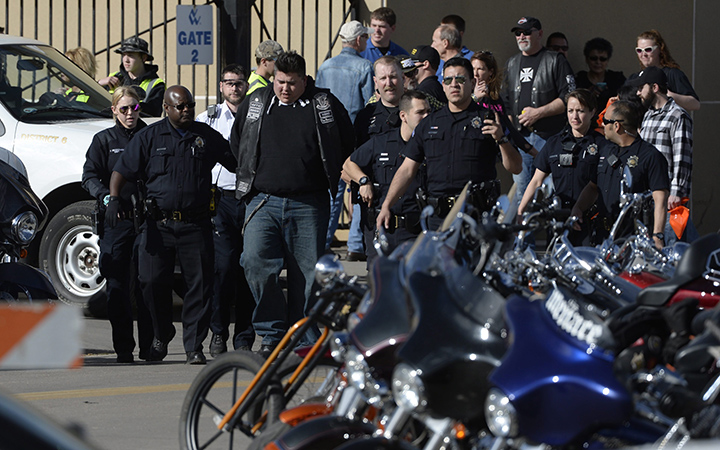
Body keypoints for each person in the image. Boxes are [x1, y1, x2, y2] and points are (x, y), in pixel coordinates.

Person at [230, 51, 354, 357]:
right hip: (263, 201)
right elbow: (238, 143)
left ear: (305, 80)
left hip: (309, 203)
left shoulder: (324, 104)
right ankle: (271, 333)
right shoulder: (256, 103)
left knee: (309, 275)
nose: (285, 89)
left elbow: (345, 143)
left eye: (292, 83)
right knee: (255, 262)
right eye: (280, 82)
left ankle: (304, 337)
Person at [109, 85, 237, 365]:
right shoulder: (149, 137)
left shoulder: (205, 136)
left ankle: (194, 346)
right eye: (180, 106)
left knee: (200, 287)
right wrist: (115, 199)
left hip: (196, 224)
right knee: (150, 282)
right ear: (166, 108)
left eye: (190, 105)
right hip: (158, 225)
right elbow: (121, 170)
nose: (187, 110)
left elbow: (235, 162)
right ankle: (162, 331)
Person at [376, 57, 523, 231]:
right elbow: (407, 170)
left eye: (460, 79)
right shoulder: (428, 123)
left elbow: (516, 167)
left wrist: (501, 139)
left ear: (472, 83)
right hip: (438, 219)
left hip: (476, 217)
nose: (454, 84)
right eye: (448, 80)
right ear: (443, 85)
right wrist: (387, 205)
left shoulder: (488, 119)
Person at [81, 86, 153, 363]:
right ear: (114, 110)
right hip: (117, 220)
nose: (130, 113)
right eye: (123, 109)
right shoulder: (104, 140)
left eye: (134, 107)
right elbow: (89, 177)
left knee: (148, 283)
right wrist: (106, 198)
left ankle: (149, 346)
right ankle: (124, 347)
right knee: (117, 284)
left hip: (146, 220)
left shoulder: (150, 135)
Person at [195, 64, 255, 356]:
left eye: (239, 82)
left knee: (250, 268)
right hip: (220, 199)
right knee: (223, 268)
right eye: (229, 83)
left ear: (247, 85)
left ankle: (244, 338)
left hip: (250, 197)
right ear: (221, 86)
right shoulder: (208, 118)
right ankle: (218, 332)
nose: (234, 87)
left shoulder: (257, 114)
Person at [343, 91, 431, 266]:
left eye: (429, 111)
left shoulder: (431, 145)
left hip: (416, 230)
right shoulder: (381, 142)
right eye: (420, 112)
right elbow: (348, 165)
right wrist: (363, 181)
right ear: (403, 116)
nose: (427, 117)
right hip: (382, 229)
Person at [571, 101, 669, 248]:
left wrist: (657, 236)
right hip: (603, 237)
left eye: (605, 121)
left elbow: (660, 199)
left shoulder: (650, 156)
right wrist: (578, 208)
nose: (602, 124)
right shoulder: (605, 151)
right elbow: (592, 187)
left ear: (616, 126)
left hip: (633, 239)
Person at [502, 16, 576, 207]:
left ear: (540, 34)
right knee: (522, 194)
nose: (521, 36)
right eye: (518, 33)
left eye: (527, 32)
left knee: (554, 194)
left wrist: (538, 113)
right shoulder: (511, 63)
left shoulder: (555, 60)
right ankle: (524, 228)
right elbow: (506, 103)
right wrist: (511, 134)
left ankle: (553, 228)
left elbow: (569, 97)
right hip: (521, 140)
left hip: (550, 137)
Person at [316, 20, 375, 253]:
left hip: (328, 138)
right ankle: (356, 244)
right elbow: (370, 104)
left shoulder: (325, 66)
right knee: (360, 186)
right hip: (354, 137)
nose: (367, 41)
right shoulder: (364, 67)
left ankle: (322, 242)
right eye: (365, 37)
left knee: (332, 192)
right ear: (358, 40)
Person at [518, 89, 602, 245]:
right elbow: (536, 181)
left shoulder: (602, 145)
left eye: (580, 111)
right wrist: (521, 210)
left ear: (592, 112)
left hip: (588, 222)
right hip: (559, 221)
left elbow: (598, 186)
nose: (574, 116)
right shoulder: (554, 143)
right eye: (570, 111)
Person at [632, 66, 697, 244]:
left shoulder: (678, 116)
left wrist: (676, 193)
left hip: (670, 201)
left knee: (672, 248)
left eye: (641, 88)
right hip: (648, 199)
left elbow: (682, 158)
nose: (638, 93)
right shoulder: (648, 115)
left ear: (654, 87)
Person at [628, 29, 700, 112]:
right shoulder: (635, 77)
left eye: (648, 50)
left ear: (660, 49)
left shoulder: (672, 74)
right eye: (639, 50)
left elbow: (695, 104)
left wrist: (668, 95)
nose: (643, 54)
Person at [97, 36, 165, 116]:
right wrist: (98, 84)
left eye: (130, 55)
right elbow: (92, 103)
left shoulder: (156, 84)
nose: (126, 60)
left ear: (143, 57)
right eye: (123, 55)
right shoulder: (113, 78)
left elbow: (153, 113)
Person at [575, 38, 626, 118]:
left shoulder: (617, 79)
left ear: (607, 60)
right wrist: (588, 94)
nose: (598, 62)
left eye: (602, 59)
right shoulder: (579, 80)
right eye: (593, 58)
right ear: (586, 59)